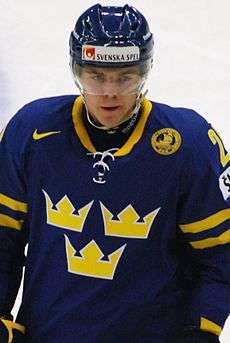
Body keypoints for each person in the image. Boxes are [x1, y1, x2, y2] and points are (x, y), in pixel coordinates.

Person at [0, 3, 229, 343]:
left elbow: (220, 253)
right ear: (77, 70)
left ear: (144, 72)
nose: (109, 91)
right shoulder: (30, 132)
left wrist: (202, 330)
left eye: (125, 77)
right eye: (97, 76)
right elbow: (4, 238)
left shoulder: (190, 144)